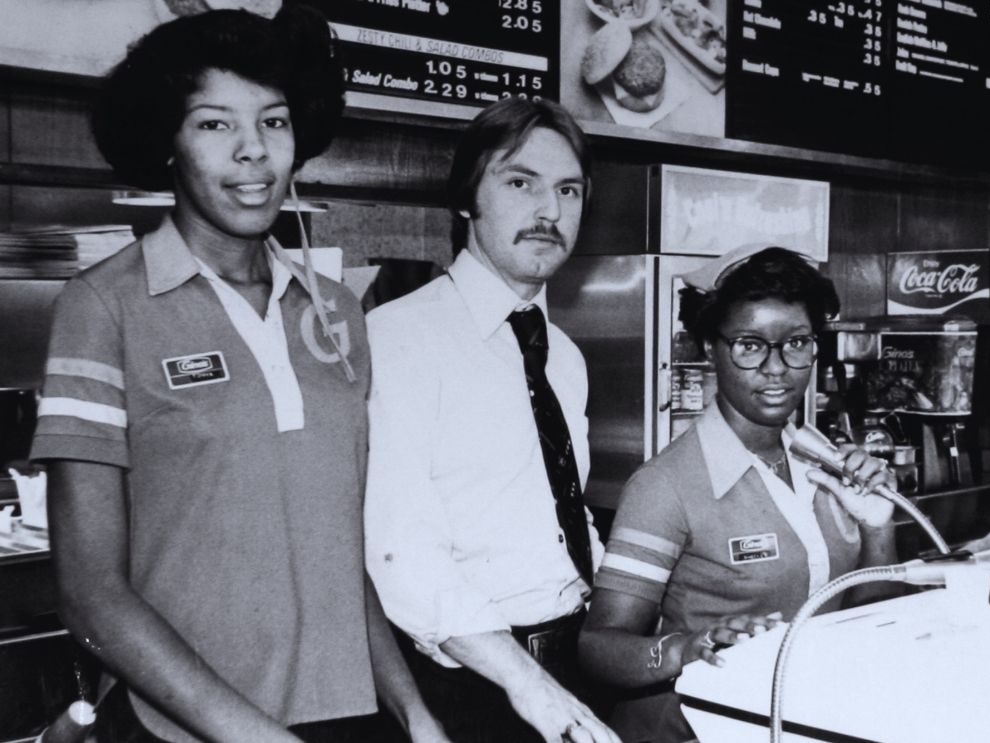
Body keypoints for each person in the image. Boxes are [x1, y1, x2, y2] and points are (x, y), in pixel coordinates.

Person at [30, 8, 445, 743]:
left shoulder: (338, 312)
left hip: (347, 717)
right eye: (215, 124)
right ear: (168, 141)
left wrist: (413, 712)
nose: (253, 152)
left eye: (274, 122)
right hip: (180, 727)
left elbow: (334, 554)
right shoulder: (103, 306)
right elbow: (90, 593)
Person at [364, 98, 619, 743]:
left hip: (576, 668)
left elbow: (562, 512)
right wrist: (526, 684)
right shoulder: (397, 340)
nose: (550, 211)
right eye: (519, 182)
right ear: (466, 201)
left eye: (569, 190)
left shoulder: (562, 356)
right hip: (472, 689)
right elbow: (404, 551)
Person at [578, 245, 898, 743]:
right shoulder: (667, 485)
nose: (776, 368)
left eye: (796, 343)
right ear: (710, 348)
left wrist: (879, 526)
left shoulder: (823, 464)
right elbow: (599, 647)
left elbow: (865, 618)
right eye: (750, 345)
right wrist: (686, 647)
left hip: (801, 724)